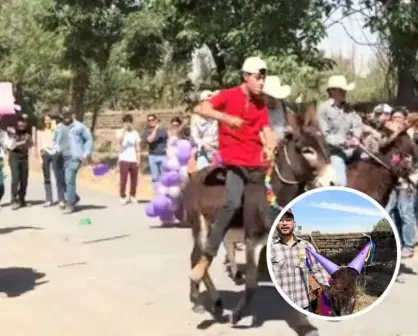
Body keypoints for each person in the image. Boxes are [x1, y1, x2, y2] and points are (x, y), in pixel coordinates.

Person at [190, 56, 277, 282]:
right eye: (257, 78)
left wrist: (271, 145)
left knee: (268, 207)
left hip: (257, 164)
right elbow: (201, 108)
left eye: (263, 78)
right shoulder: (229, 96)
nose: (261, 82)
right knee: (232, 203)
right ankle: (207, 257)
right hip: (235, 163)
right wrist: (225, 117)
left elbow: (267, 129)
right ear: (246, 76)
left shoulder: (261, 104)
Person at [270, 209, 327, 311]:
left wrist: (331, 289)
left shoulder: (306, 246)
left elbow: (317, 270)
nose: (284, 223)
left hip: (303, 306)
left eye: (288, 219)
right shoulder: (269, 248)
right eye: (280, 219)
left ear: (294, 223)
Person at [317, 75, 363, 186]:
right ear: (332, 91)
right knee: (341, 182)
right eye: (342, 90)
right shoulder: (323, 109)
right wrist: (345, 142)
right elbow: (325, 136)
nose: (344, 93)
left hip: (353, 150)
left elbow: (357, 124)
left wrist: (356, 137)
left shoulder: (349, 108)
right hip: (334, 152)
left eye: (344, 90)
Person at [385, 106, 418, 259]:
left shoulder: (408, 139)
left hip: (406, 181)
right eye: (394, 118)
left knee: (406, 213)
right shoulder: (388, 137)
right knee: (390, 212)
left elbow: (414, 158)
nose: (396, 120)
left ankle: (408, 245)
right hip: (391, 181)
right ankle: (395, 242)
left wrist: (409, 164)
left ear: (404, 120)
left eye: (399, 118)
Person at [53, 109, 93, 214]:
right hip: (60, 157)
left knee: (69, 180)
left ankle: (70, 204)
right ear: (61, 115)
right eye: (65, 114)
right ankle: (74, 197)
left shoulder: (79, 126)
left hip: (74, 158)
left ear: (72, 115)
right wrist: (54, 148)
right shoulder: (58, 127)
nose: (67, 116)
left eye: (69, 114)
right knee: (62, 181)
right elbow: (54, 140)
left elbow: (88, 139)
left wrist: (85, 153)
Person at [4, 116, 33, 210]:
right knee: (15, 178)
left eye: (24, 122)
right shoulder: (12, 132)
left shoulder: (28, 133)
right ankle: (13, 200)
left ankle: (22, 199)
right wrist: (20, 142)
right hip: (14, 156)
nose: (22, 124)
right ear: (17, 123)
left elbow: (31, 145)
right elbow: (10, 147)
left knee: (24, 179)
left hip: (24, 157)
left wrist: (29, 141)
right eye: (20, 122)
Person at [36, 114, 64, 207]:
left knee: (58, 176)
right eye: (45, 120)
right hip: (45, 154)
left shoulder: (56, 129)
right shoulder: (40, 131)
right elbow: (39, 145)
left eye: (49, 120)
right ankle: (49, 199)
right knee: (46, 177)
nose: (47, 121)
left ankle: (61, 199)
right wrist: (40, 158)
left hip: (55, 153)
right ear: (43, 121)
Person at [190, 90, 219, 170]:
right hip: (203, 152)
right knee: (203, 175)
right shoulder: (195, 118)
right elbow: (194, 135)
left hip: (218, 151)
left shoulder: (217, 115)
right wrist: (202, 144)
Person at [116, 114, 141, 205]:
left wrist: (138, 159)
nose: (128, 124)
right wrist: (124, 131)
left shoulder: (135, 133)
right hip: (124, 158)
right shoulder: (119, 131)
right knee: (123, 179)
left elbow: (137, 147)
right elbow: (119, 141)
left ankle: (133, 196)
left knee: (134, 179)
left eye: (129, 122)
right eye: (126, 122)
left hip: (133, 159)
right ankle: (122, 196)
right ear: (123, 123)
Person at [143, 114, 168, 191]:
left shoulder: (164, 130)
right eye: (149, 120)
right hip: (152, 156)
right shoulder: (147, 131)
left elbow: (169, 140)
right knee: (155, 177)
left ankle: (164, 193)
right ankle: (157, 194)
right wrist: (155, 130)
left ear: (156, 120)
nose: (151, 121)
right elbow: (150, 140)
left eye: (152, 119)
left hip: (163, 156)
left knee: (163, 176)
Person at [262, 75, 291, 139]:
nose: (273, 100)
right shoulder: (257, 110)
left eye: (276, 97)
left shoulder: (284, 107)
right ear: (263, 96)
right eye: (270, 97)